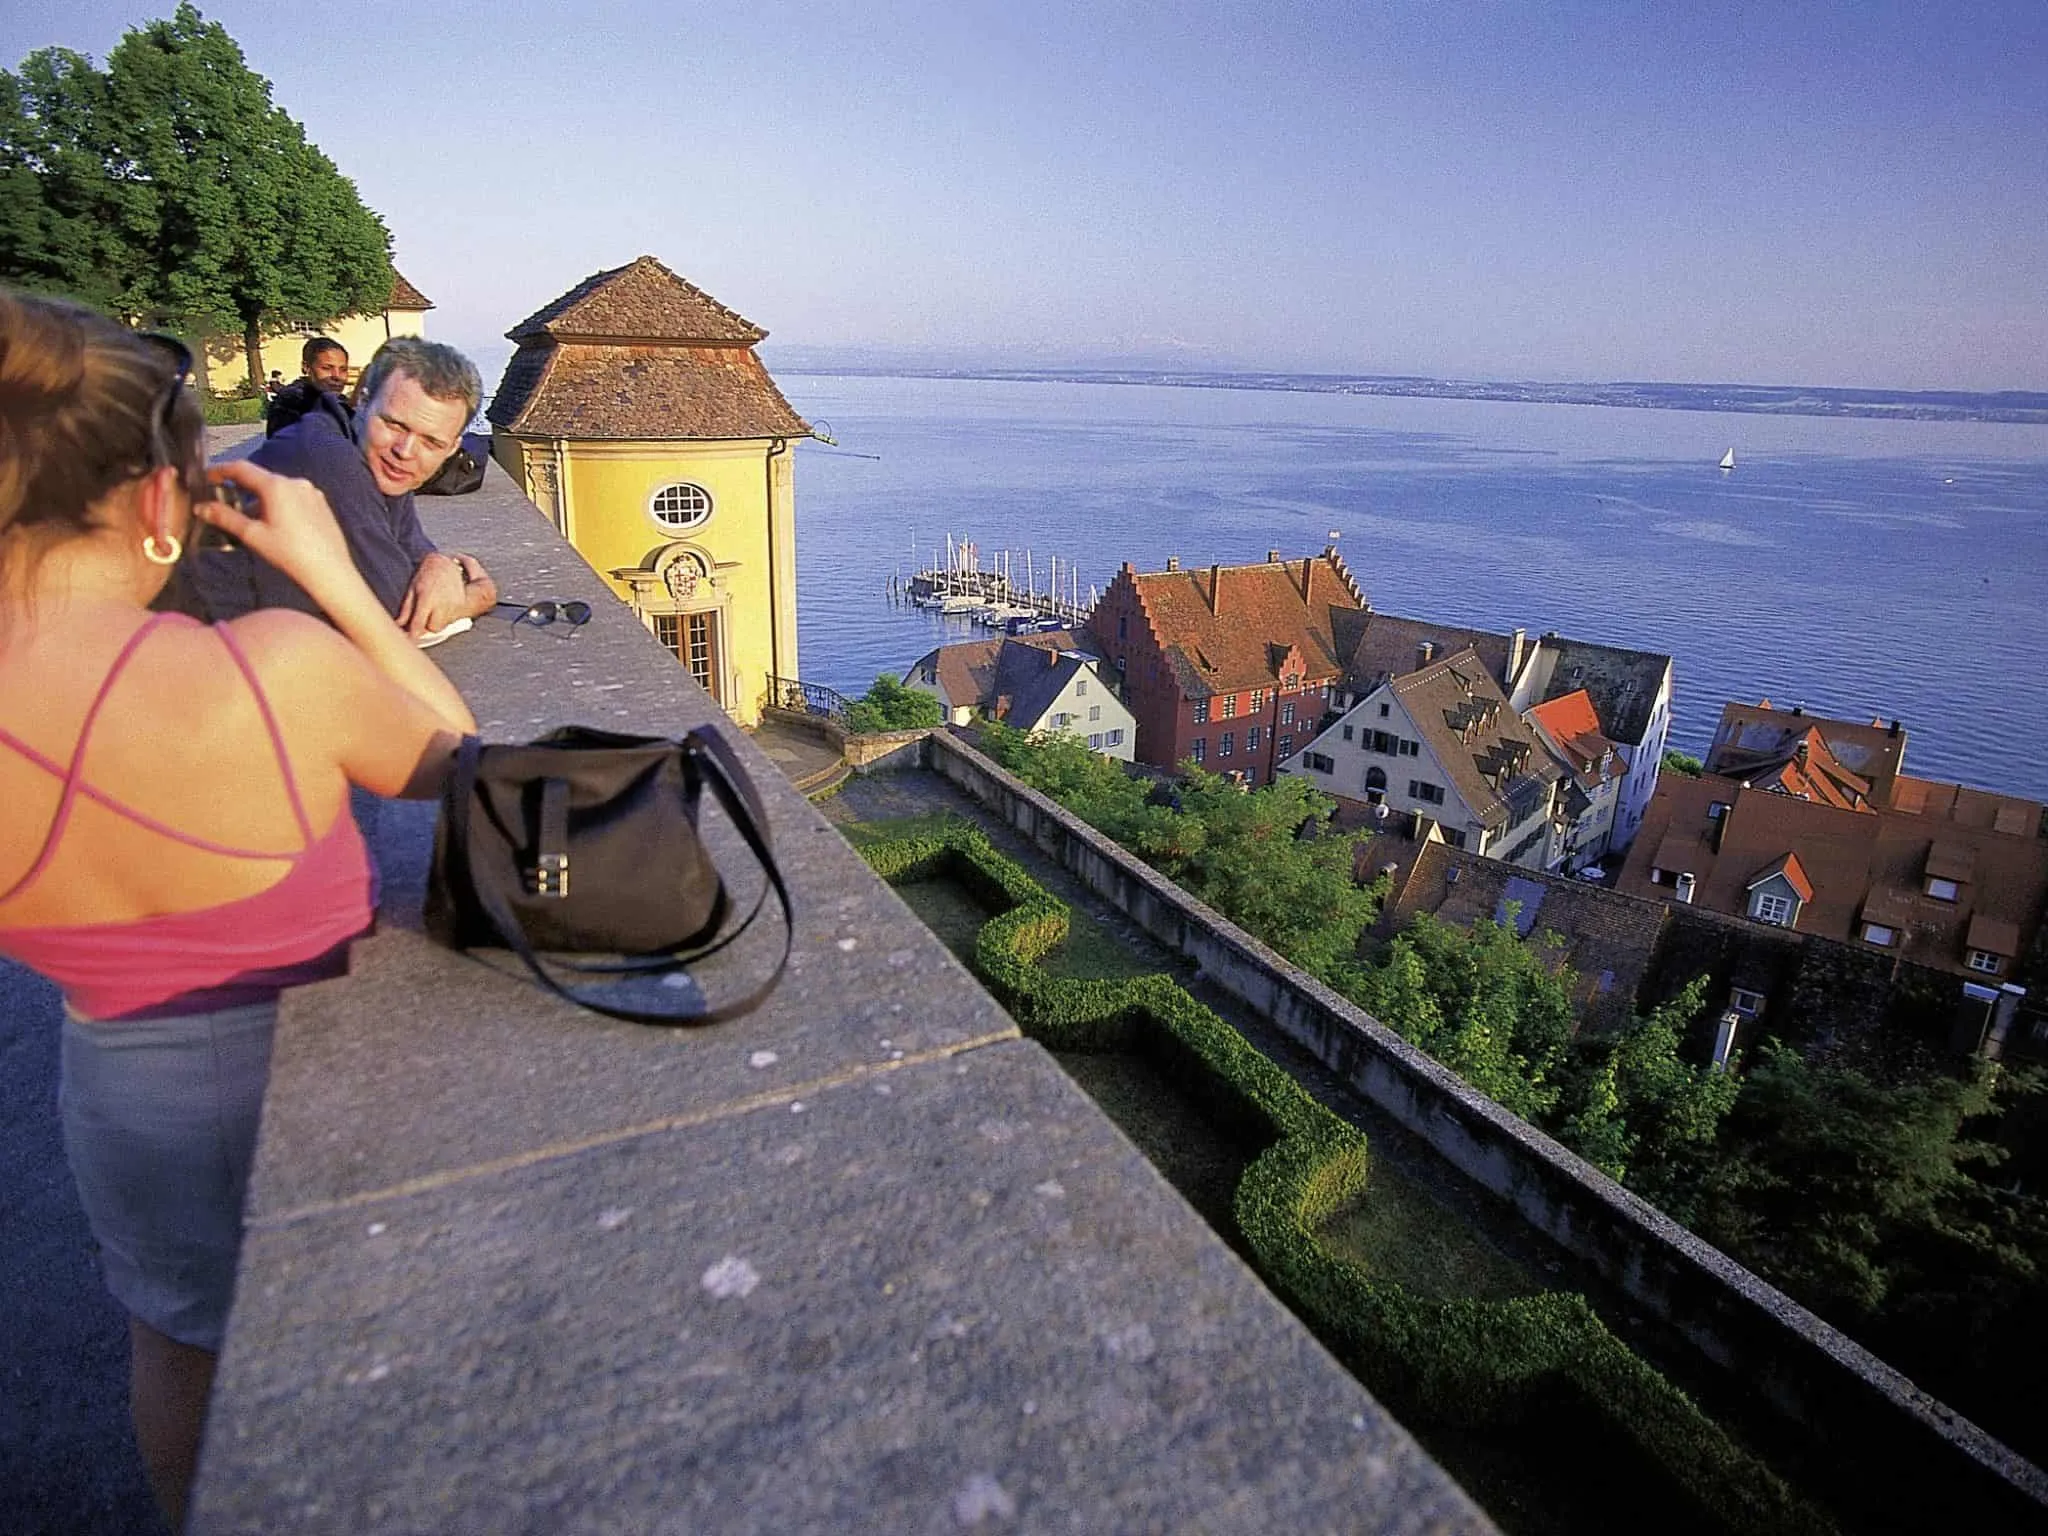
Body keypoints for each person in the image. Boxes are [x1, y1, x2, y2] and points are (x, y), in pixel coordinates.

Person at [0, 290, 476, 1529]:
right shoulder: (272, 671)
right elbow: (459, 755)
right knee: (358, 1350)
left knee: (177, 1345)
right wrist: (326, 569)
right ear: (164, 501)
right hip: (314, 1078)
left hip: (112, 1087)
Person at [167, 335, 499, 640]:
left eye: (431, 441)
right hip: (174, 647)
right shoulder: (327, 455)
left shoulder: (378, 462)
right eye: (394, 424)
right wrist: (479, 595)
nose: (406, 450)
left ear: (452, 447)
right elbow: (392, 614)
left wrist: (439, 564)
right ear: (363, 403)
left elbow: (412, 548)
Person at [263, 336, 349, 438]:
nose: (337, 376)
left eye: (343, 369)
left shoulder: (340, 402)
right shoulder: (293, 403)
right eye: (326, 368)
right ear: (306, 367)